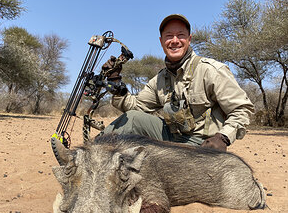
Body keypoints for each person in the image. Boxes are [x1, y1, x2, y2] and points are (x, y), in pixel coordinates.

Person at [101, 14, 254, 151]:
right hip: (171, 139)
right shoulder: (160, 79)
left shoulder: (211, 70)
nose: (175, 41)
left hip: (202, 145)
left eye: (180, 35)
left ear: (189, 39)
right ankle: (91, 154)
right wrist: (116, 83)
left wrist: (222, 138)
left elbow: (241, 109)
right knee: (133, 118)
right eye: (169, 36)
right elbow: (136, 107)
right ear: (161, 41)